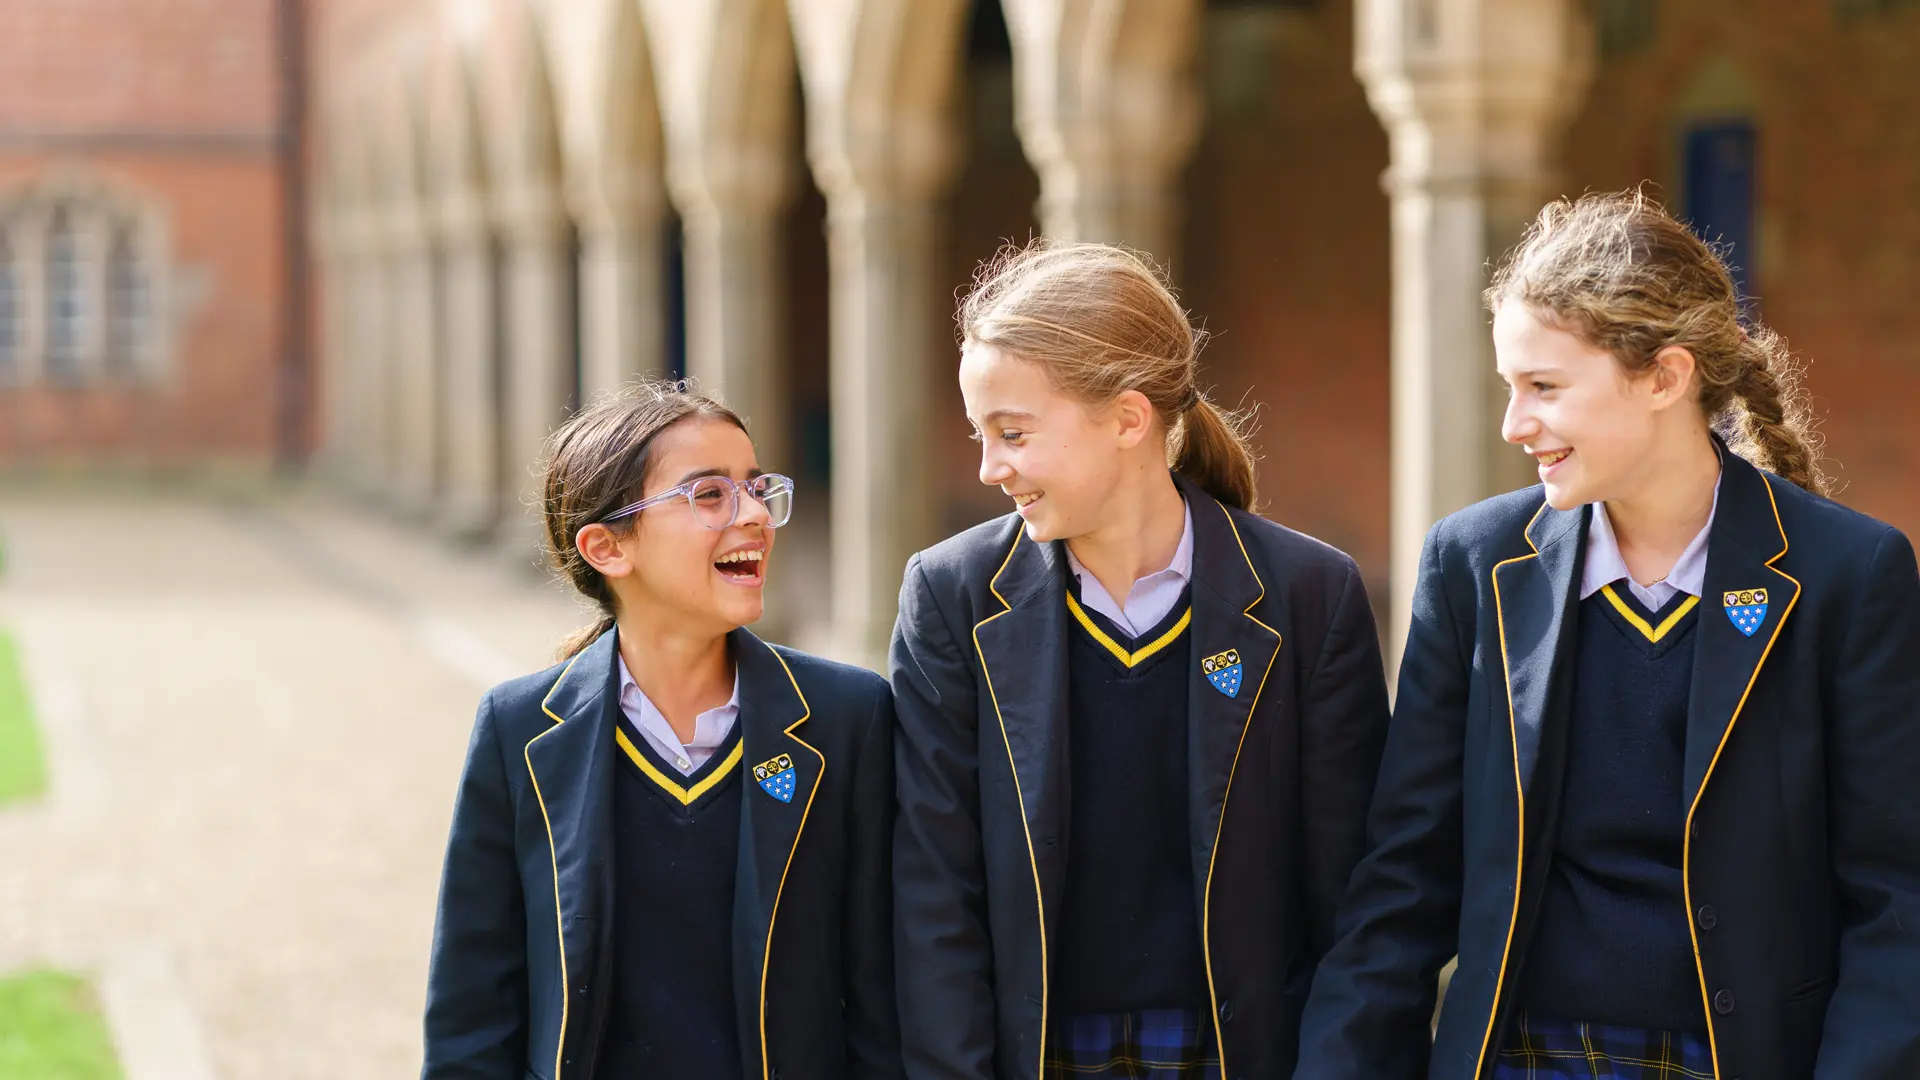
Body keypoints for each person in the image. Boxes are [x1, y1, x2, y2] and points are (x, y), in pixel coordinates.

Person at [1296, 190, 1920, 1080]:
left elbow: (1898, 904)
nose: (1515, 425)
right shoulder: (1472, 564)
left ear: (1664, 377)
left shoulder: (1850, 575)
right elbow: (1405, 880)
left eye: (1545, 388)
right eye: (1509, 388)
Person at [890, 240, 1393, 1080]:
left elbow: (1356, 900)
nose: (988, 468)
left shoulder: (1312, 594)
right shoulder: (951, 596)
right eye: (982, 435)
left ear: (1129, 419)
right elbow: (933, 893)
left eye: (1012, 433)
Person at [421, 382, 900, 1080]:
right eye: (709, 495)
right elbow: (473, 1010)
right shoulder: (518, 730)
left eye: (757, 487)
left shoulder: (846, 718)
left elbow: (882, 998)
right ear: (607, 547)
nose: (756, 515)